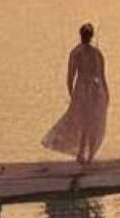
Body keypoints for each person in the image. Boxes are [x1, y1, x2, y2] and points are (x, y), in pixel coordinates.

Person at [41, 23, 109, 166]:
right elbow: (102, 77)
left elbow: (70, 77)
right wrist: (106, 94)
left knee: (84, 121)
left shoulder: (75, 52)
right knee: (92, 122)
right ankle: (88, 155)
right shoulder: (97, 53)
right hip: (96, 90)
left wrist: (72, 94)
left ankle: (82, 154)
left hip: (82, 90)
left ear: (81, 36)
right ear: (91, 36)